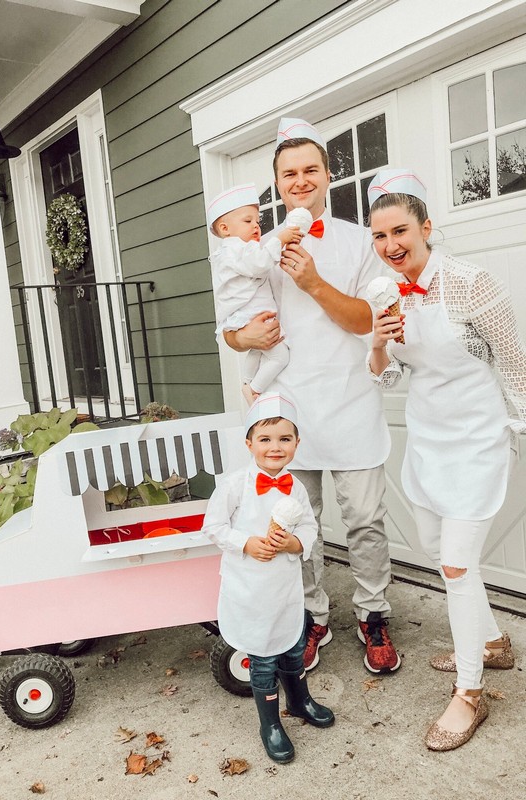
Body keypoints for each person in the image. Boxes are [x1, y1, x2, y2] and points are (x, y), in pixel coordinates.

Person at [223, 118, 401, 675]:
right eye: (288, 173)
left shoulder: (356, 241)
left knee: (367, 521)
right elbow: (231, 321)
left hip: (350, 404)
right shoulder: (257, 246)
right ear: (277, 184)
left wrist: (313, 283)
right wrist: (240, 338)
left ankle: (373, 615)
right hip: (286, 412)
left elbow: (367, 321)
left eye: (310, 170)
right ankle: (310, 617)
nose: (300, 181)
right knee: (294, 522)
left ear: (329, 174)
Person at [366, 168, 525, 751]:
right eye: (379, 237)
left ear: (426, 227)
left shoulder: (470, 282)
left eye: (400, 231)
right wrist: (379, 339)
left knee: (457, 566)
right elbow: (388, 378)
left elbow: (513, 360)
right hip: (429, 440)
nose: (390, 246)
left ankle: (469, 692)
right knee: (439, 555)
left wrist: (521, 427)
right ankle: (490, 643)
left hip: (478, 440)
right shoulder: (383, 294)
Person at [202, 392, 334, 763]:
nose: (275, 447)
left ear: (296, 443)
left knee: (293, 648)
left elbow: (309, 528)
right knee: (262, 658)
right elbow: (213, 527)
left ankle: (301, 700)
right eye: (265, 439)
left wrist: (294, 542)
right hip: (250, 589)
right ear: (249, 443)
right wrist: (246, 543)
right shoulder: (232, 485)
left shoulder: (298, 487)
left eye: (284, 439)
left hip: (285, 588)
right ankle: (270, 723)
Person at [207, 183, 303, 405]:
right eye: (248, 221)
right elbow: (259, 264)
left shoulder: (232, 250)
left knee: (259, 351)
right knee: (280, 356)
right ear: (224, 229)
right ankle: (254, 390)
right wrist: (280, 239)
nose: (256, 226)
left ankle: (247, 382)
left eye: (257, 221)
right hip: (252, 312)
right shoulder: (238, 249)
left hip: (246, 313)